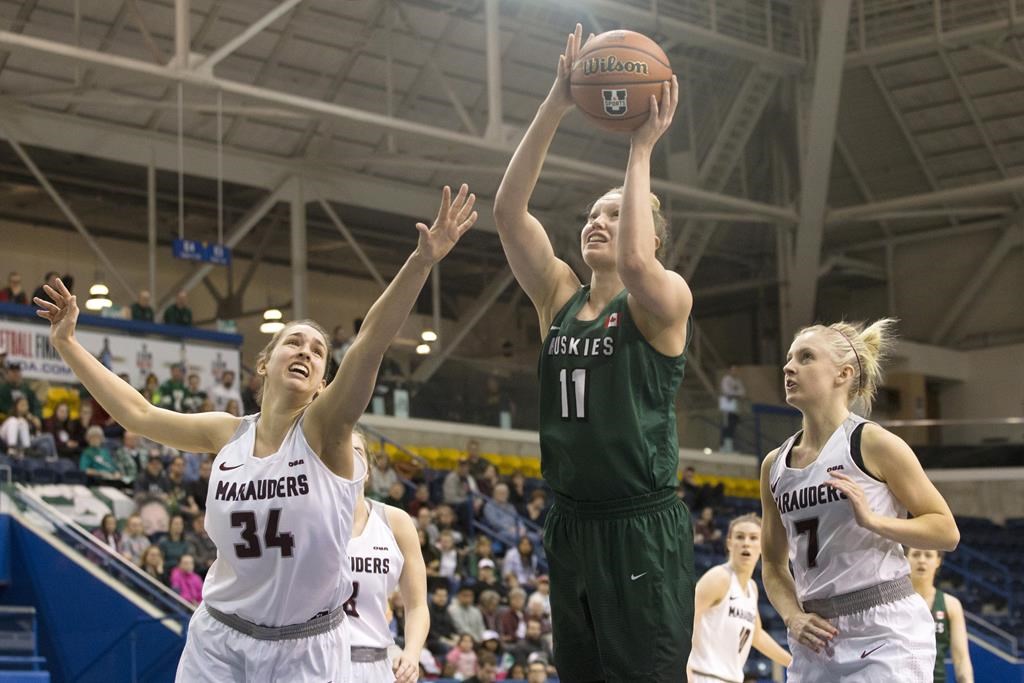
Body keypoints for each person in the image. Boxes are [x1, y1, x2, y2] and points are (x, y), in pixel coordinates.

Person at [32, 183, 478, 682]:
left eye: (317, 350)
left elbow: (370, 343)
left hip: (302, 647)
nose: (306, 351)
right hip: (219, 636)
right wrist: (67, 344)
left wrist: (421, 262)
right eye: (294, 342)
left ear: (325, 382)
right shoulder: (227, 434)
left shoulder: (327, 434)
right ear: (264, 364)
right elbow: (137, 414)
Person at [493, 24, 694, 681]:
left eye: (613, 213)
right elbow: (507, 210)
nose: (597, 221)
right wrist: (556, 101)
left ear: (649, 233)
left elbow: (637, 261)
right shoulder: (558, 295)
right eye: (591, 213)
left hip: (639, 523)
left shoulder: (659, 300)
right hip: (572, 522)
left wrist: (641, 149)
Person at [760, 319, 959, 682]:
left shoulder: (872, 443)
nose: (789, 367)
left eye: (805, 357)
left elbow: (946, 530)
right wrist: (792, 616)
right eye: (789, 358)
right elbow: (773, 565)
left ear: (843, 374)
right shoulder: (775, 465)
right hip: (815, 636)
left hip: (885, 630)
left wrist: (875, 521)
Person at [344, 431, 428, 683]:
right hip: (316, 658)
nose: (348, 456)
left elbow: (417, 606)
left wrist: (412, 654)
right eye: (339, 448)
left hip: (375, 662)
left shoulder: (397, 522)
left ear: (368, 471)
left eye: (357, 451)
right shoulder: (306, 518)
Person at [687, 514, 791, 682]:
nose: (746, 543)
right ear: (729, 543)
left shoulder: (751, 588)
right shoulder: (719, 578)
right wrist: (685, 671)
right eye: (740, 537)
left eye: (753, 538)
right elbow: (683, 624)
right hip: (702, 676)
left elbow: (757, 637)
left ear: (762, 546)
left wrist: (792, 663)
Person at [908, 548, 973, 683]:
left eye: (928, 555)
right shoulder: (894, 602)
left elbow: (961, 658)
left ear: (938, 561)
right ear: (905, 559)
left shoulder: (951, 605)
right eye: (915, 554)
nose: (921, 560)